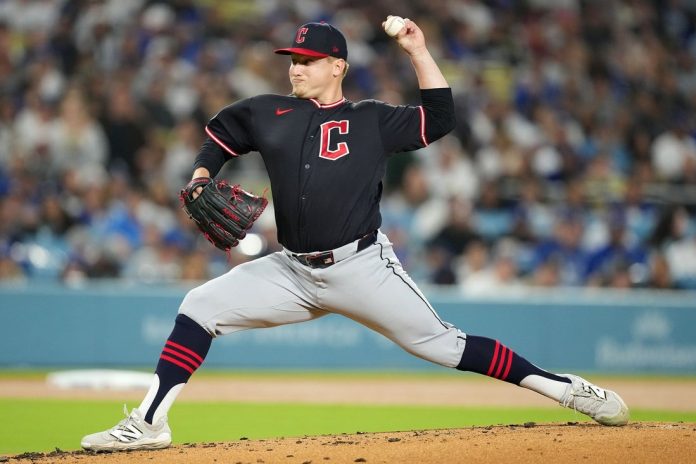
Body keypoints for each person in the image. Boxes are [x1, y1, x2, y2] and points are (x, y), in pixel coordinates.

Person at [81, 18, 629, 451]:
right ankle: (149, 422)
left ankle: (563, 388)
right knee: (199, 305)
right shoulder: (269, 112)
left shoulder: (372, 119)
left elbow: (439, 118)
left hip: (362, 266)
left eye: (308, 61)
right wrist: (202, 173)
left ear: (337, 66)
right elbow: (222, 133)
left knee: (448, 346)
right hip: (291, 269)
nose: (296, 69)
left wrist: (417, 50)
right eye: (293, 60)